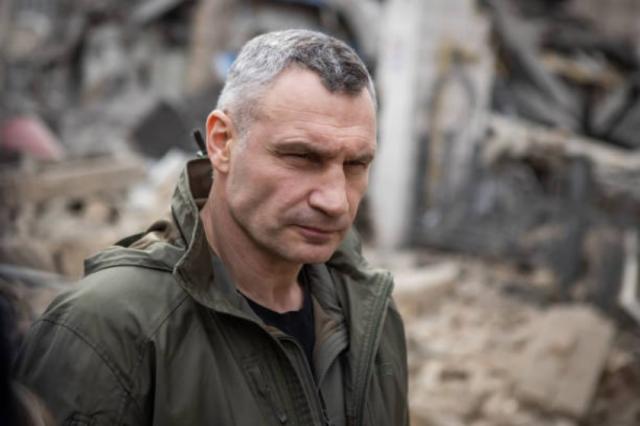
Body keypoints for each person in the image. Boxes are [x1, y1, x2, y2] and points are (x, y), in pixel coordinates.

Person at [15, 29, 409, 426]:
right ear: (222, 142)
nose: (335, 200)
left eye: (356, 164)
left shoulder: (368, 312)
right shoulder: (106, 327)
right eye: (301, 157)